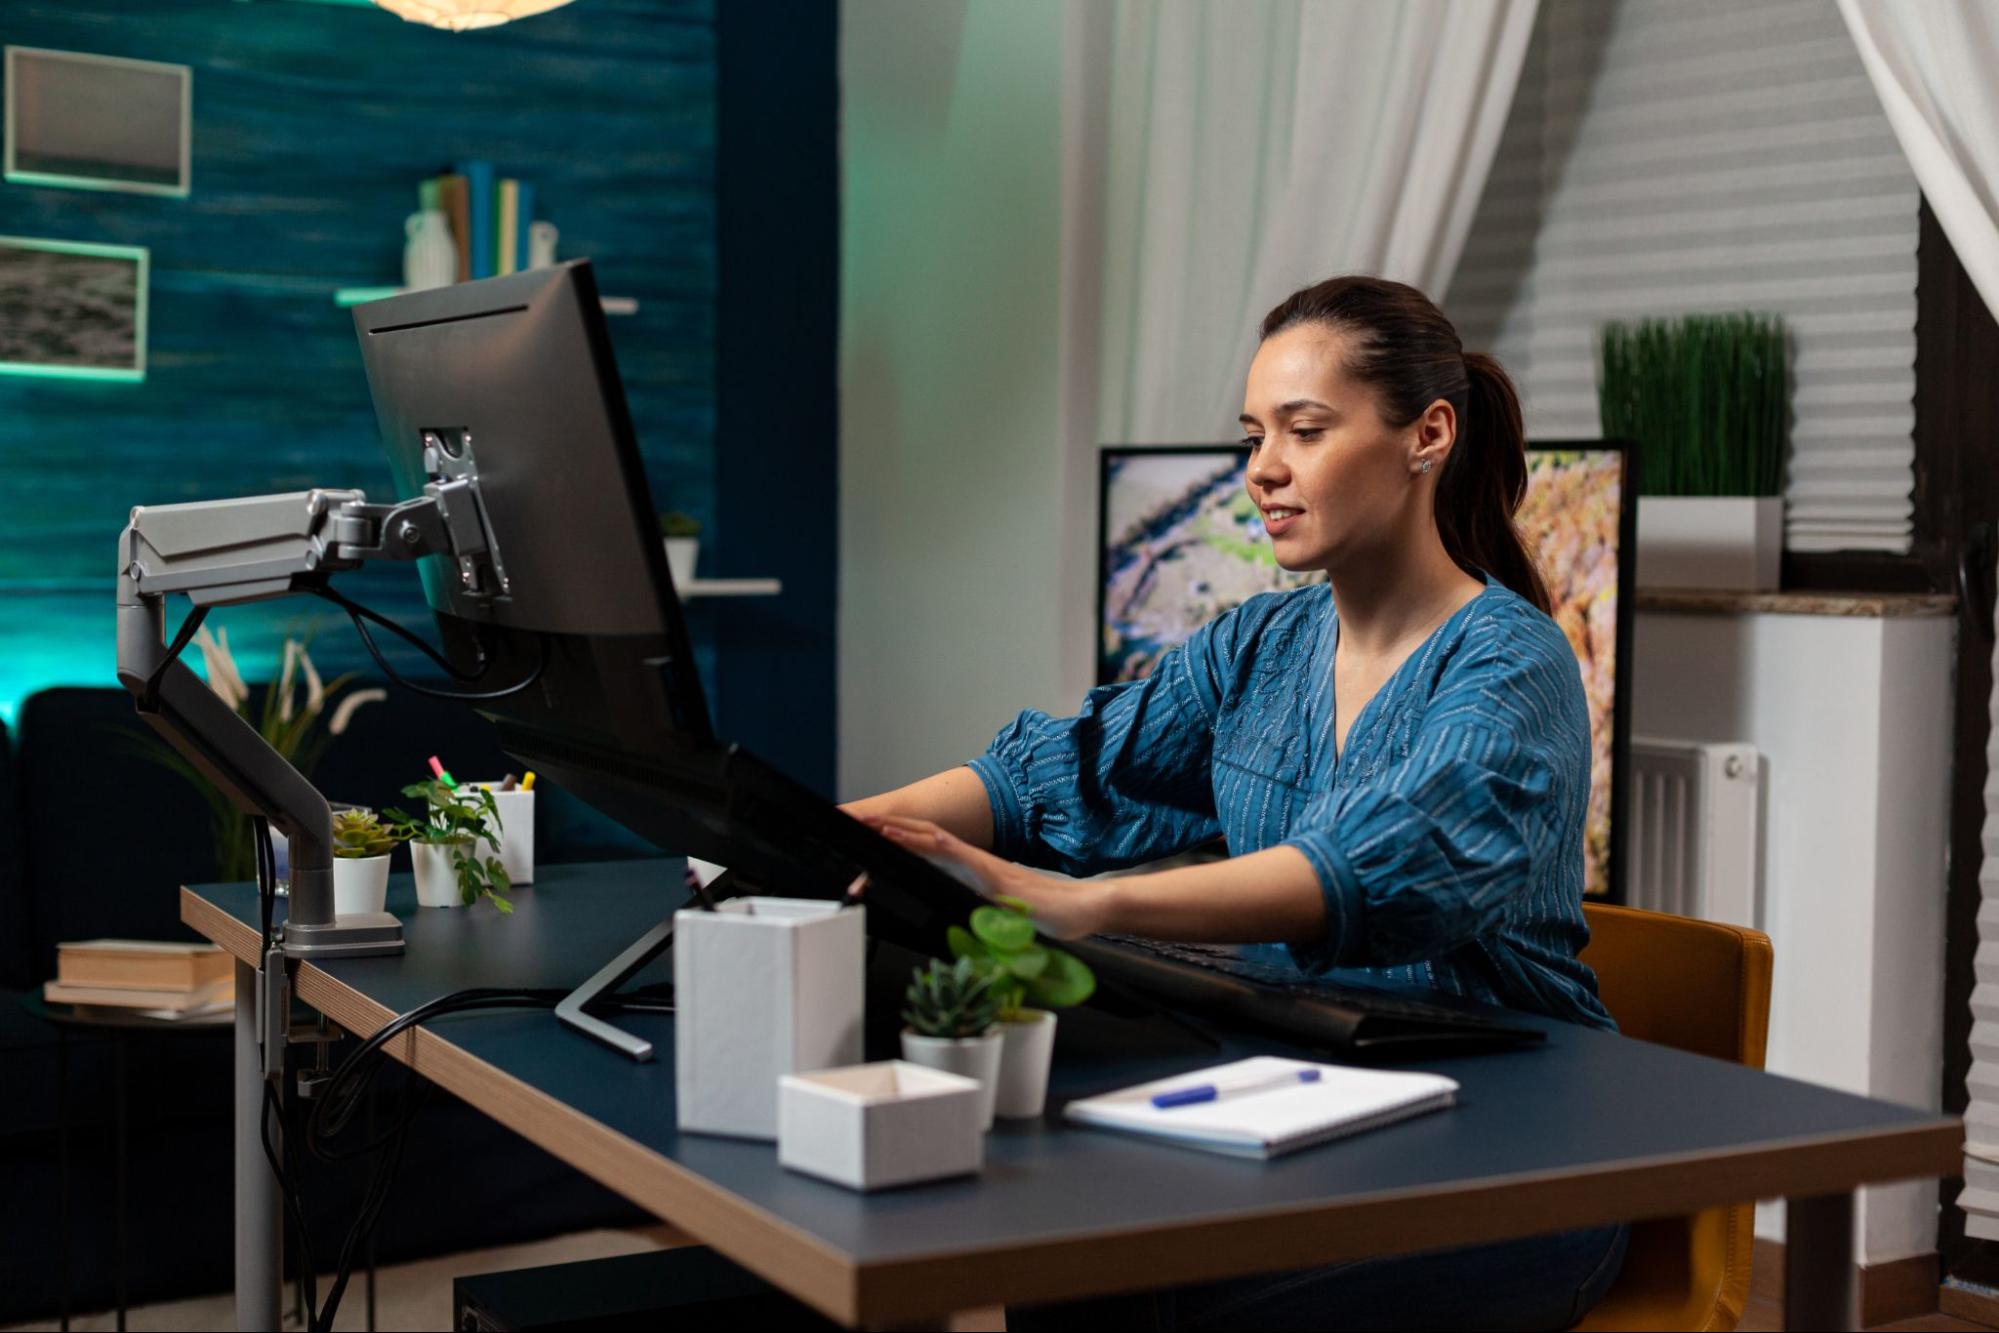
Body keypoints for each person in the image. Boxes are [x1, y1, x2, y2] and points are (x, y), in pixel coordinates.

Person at [844, 275, 1627, 1330]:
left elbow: (1376, 860)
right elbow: (1059, 770)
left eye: (1304, 430)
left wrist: (1088, 905)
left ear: (1427, 434)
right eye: (1255, 434)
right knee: (1068, 1262)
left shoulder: (1511, 663)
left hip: (1518, 1156)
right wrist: (838, 824)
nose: (1263, 468)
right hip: (1315, 1103)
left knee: (1156, 1299)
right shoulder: (1260, 643)